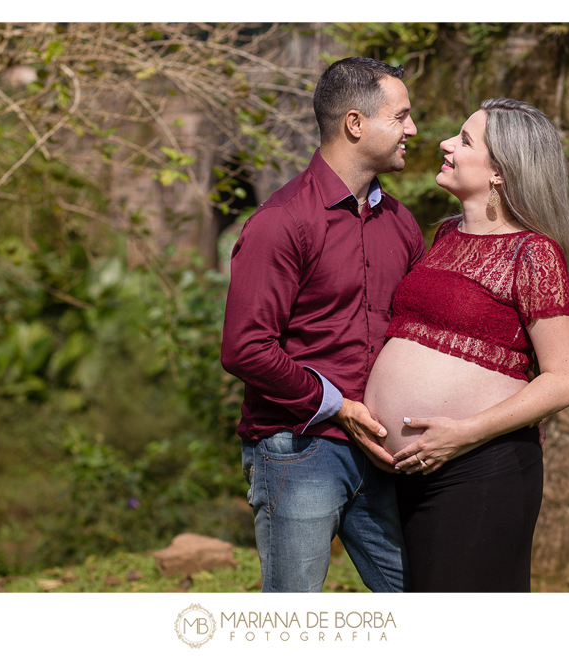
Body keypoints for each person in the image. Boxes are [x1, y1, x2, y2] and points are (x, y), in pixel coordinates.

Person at [363, 98, 569, 592]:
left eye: (465, 141)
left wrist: (464, 432)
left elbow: (567, 380)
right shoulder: (443, 234)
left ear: (501, 173)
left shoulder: (534, 253)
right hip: (408, 472)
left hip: (481, 468)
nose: (444, 143)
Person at [220, 57, 424, 592]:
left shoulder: (401, 224)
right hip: (299, 448)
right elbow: (245, 348)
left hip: (381, 451)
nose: (413, 129)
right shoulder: (281, 222)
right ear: (355, 124)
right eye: (401, 116)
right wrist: (338, 405)